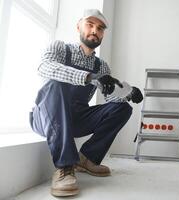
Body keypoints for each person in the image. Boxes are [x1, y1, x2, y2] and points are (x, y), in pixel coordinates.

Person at [29, 9, 143, 197]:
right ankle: (64, 167)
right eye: (90, 25)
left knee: (122, 109)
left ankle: (87, 159)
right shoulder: (59, 48)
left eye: (99, 28)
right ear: (78, 26)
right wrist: (88, 77)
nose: (94, 31)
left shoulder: (102, 66)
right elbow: (45, 67)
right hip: (48, 118)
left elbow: (111, 97)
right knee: (56, 84)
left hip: (77, 119)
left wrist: (128, 93)